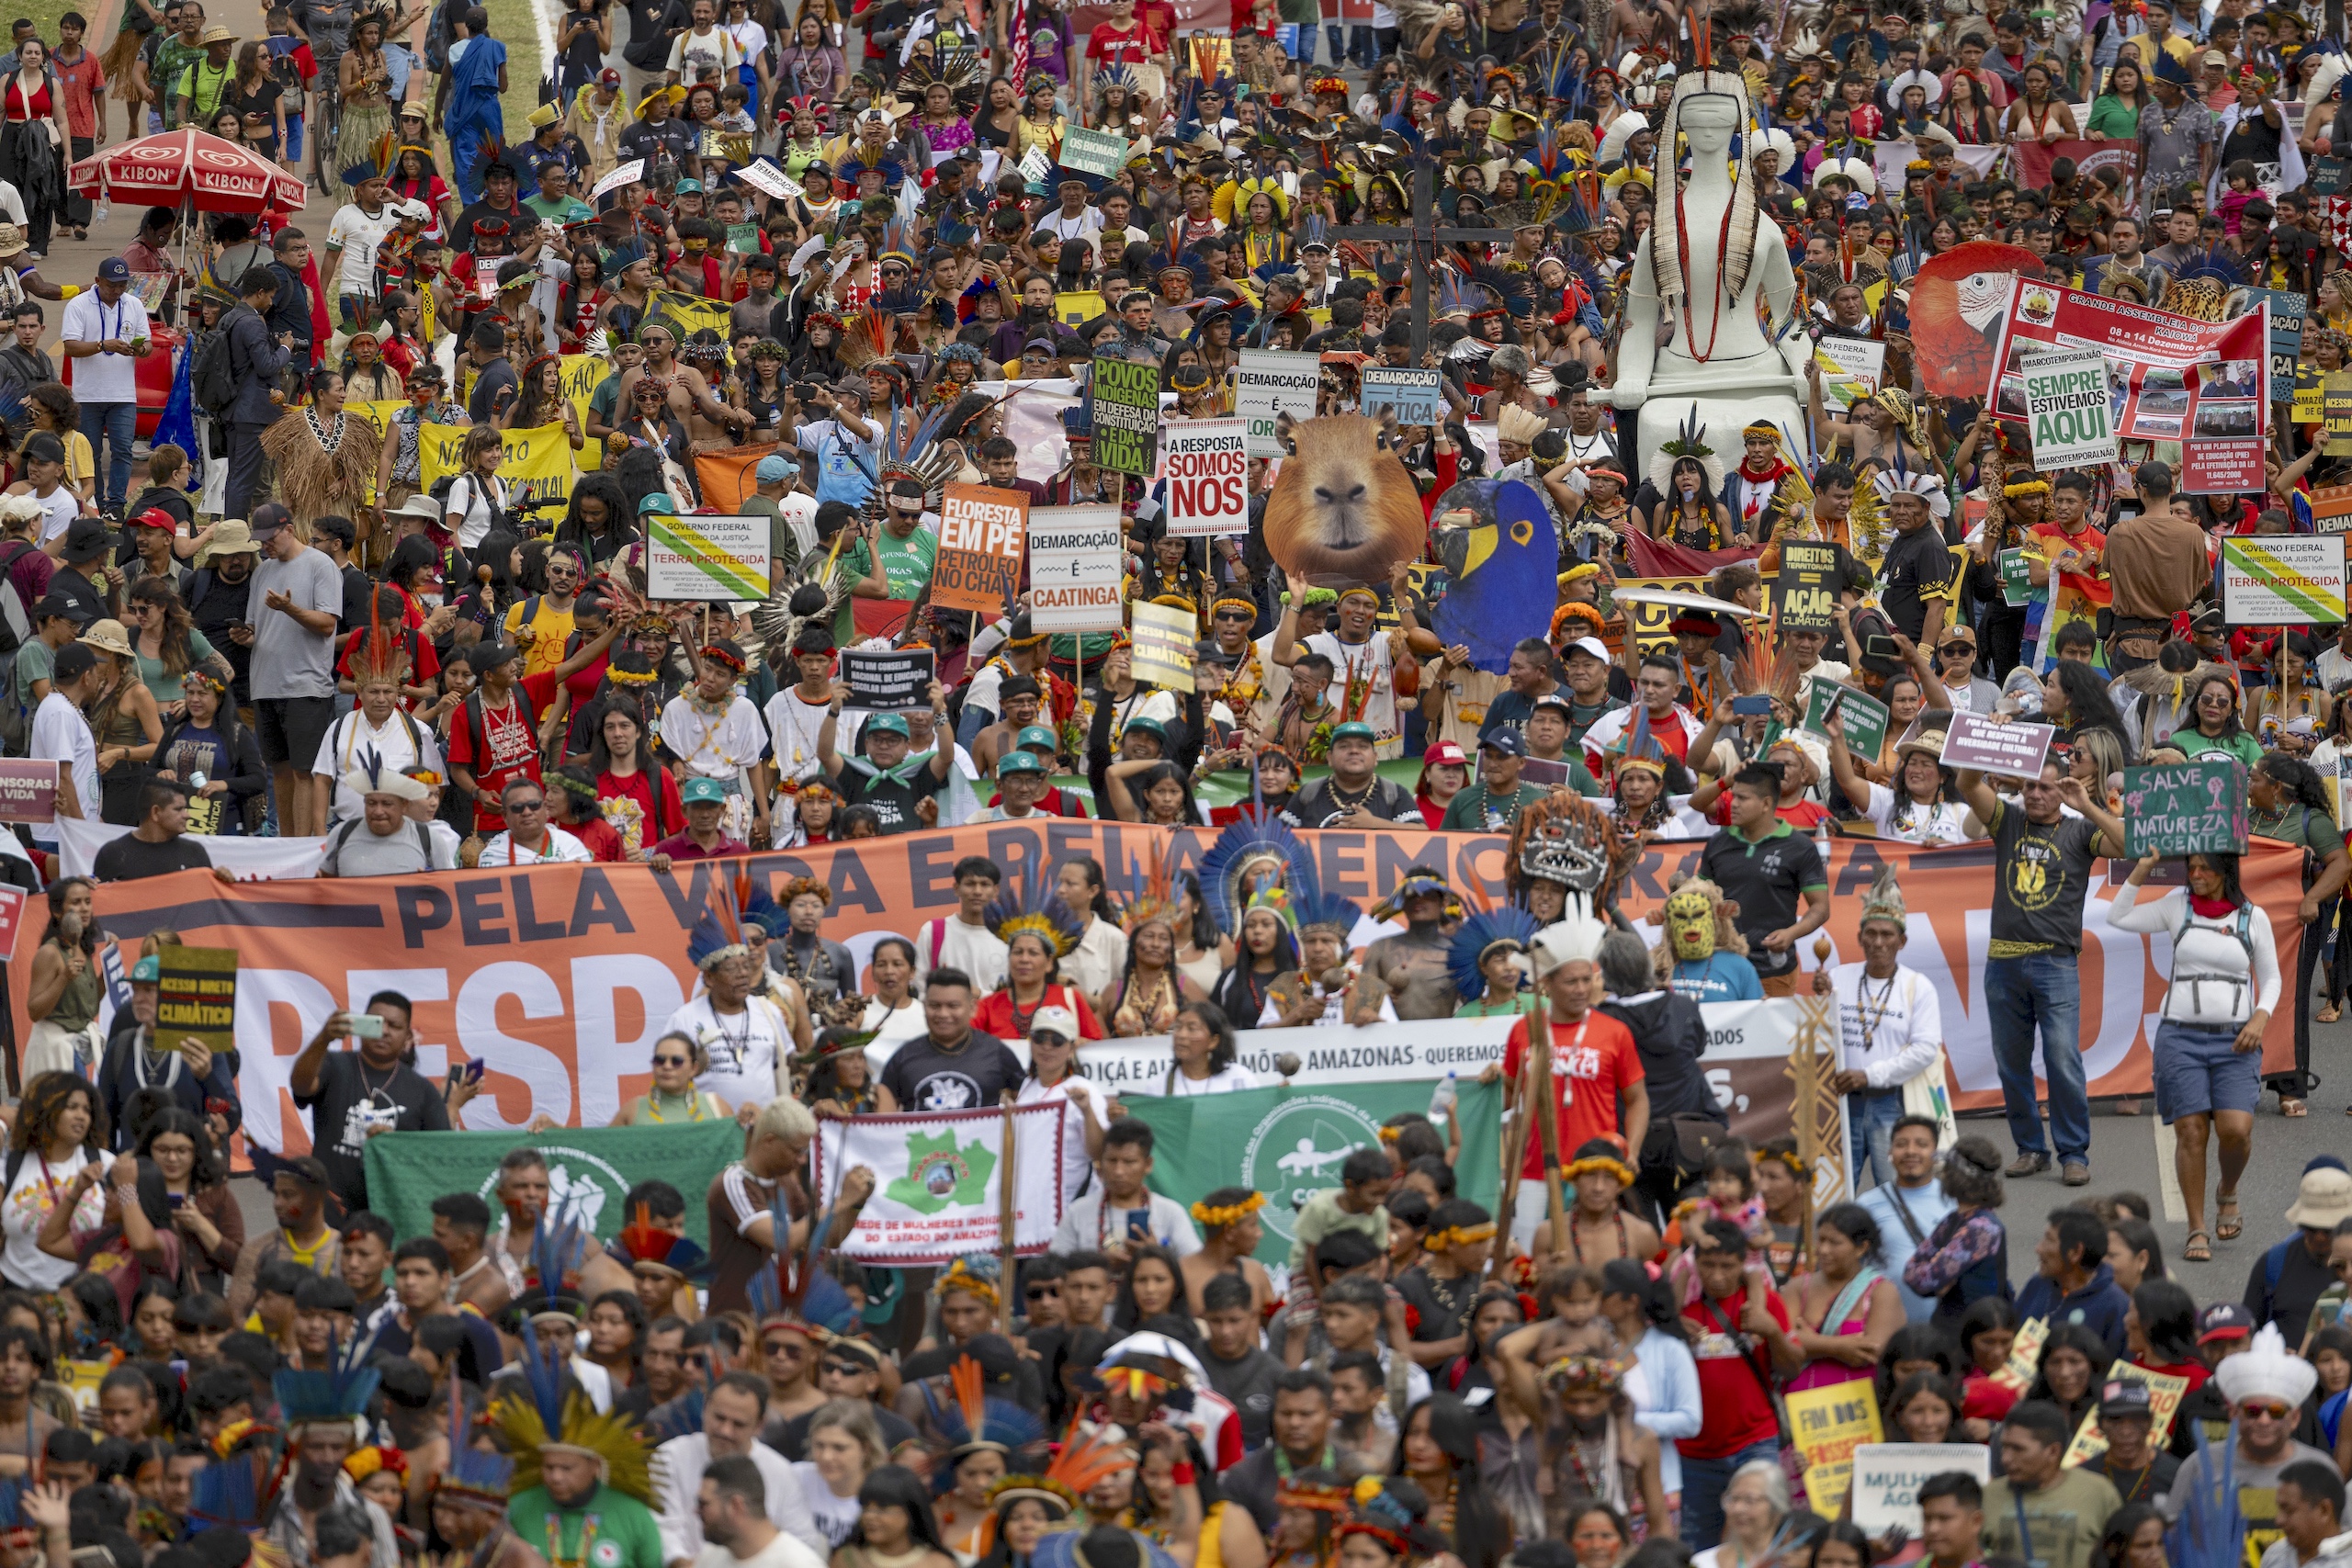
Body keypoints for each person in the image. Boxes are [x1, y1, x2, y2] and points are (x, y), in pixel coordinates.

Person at [1956, 755, 2127, 1186]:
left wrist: (2086, 806)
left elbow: (2130, 847)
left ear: (2063, 790)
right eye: (2030, 785)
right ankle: (2031, 1149)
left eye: (2046, 787)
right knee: (2011, 1064)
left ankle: (2074, 1154)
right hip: (2003, 961)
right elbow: (1966, 783)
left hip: (2056, 962)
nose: (2035, 794)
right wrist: (1985, 741)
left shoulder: (2080, 830)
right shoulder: (2008, 820)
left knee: (2062, 1058)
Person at [1498, 919, 1647, 1253]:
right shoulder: (1525, 1030)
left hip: (1596, 1170)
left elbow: (1637, 1099)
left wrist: (1633, 1151)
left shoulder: (1615, 1032)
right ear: (1547, 984)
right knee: (1531, 1259)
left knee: (1591, 1256)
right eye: (1571, 982)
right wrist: (1488, 1085)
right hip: (1535, 1168)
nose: (1581, 989)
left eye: (1586, 979)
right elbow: (1507, 1097)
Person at [1811, 865, 1943, 1190]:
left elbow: (1925, 1049)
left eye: (1887, 934)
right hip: (1843, 1101)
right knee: (1837, 1191)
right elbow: (1818, 1037)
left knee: (1897, 1190)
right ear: (1859, 938)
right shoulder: (1838, 977)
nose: (1878, 942)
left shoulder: (1918, 986)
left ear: (1902, 941)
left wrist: (1869, 1075)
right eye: (1871, 934)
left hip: (1892, 1102)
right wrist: (1819, 1004)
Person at [58, 256, 150, 516]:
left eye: (122, 285)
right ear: (98, 281)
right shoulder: (79, 305)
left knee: (123, 450)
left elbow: (148, 344)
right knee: (91, 453)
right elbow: (70, 347)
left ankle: (117, 504)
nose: (117, 290)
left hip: (123, 395)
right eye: (112, 285)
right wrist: (102, 345)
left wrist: (141, 350)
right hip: (87, 395)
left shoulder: (133, 304)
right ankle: (96, 502)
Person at [1983, 1401, 2121, 1568]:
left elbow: (2120, 1555)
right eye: (2004, 1447)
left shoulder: (2099, 1492)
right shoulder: (1987, 1496)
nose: (2005, 1459)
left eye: (2018, 1449)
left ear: (2053, 1451)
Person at [1856, 1116, 1957, 1324]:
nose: (1911, 1151)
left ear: (1936, 1152)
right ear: (1890, 1152)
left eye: (1921, 1144)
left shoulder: (1956, 1202)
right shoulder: (1866, 1204)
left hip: (1944, 1329)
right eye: (1901, 1144)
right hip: (1883, 1329)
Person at [91, 779, 213, 881]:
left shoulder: (195, 852)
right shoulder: (113, 853)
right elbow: (100, 899)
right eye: (178, 809)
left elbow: (209, 898)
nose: (187, 815)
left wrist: (221, 880)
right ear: (155, 812)